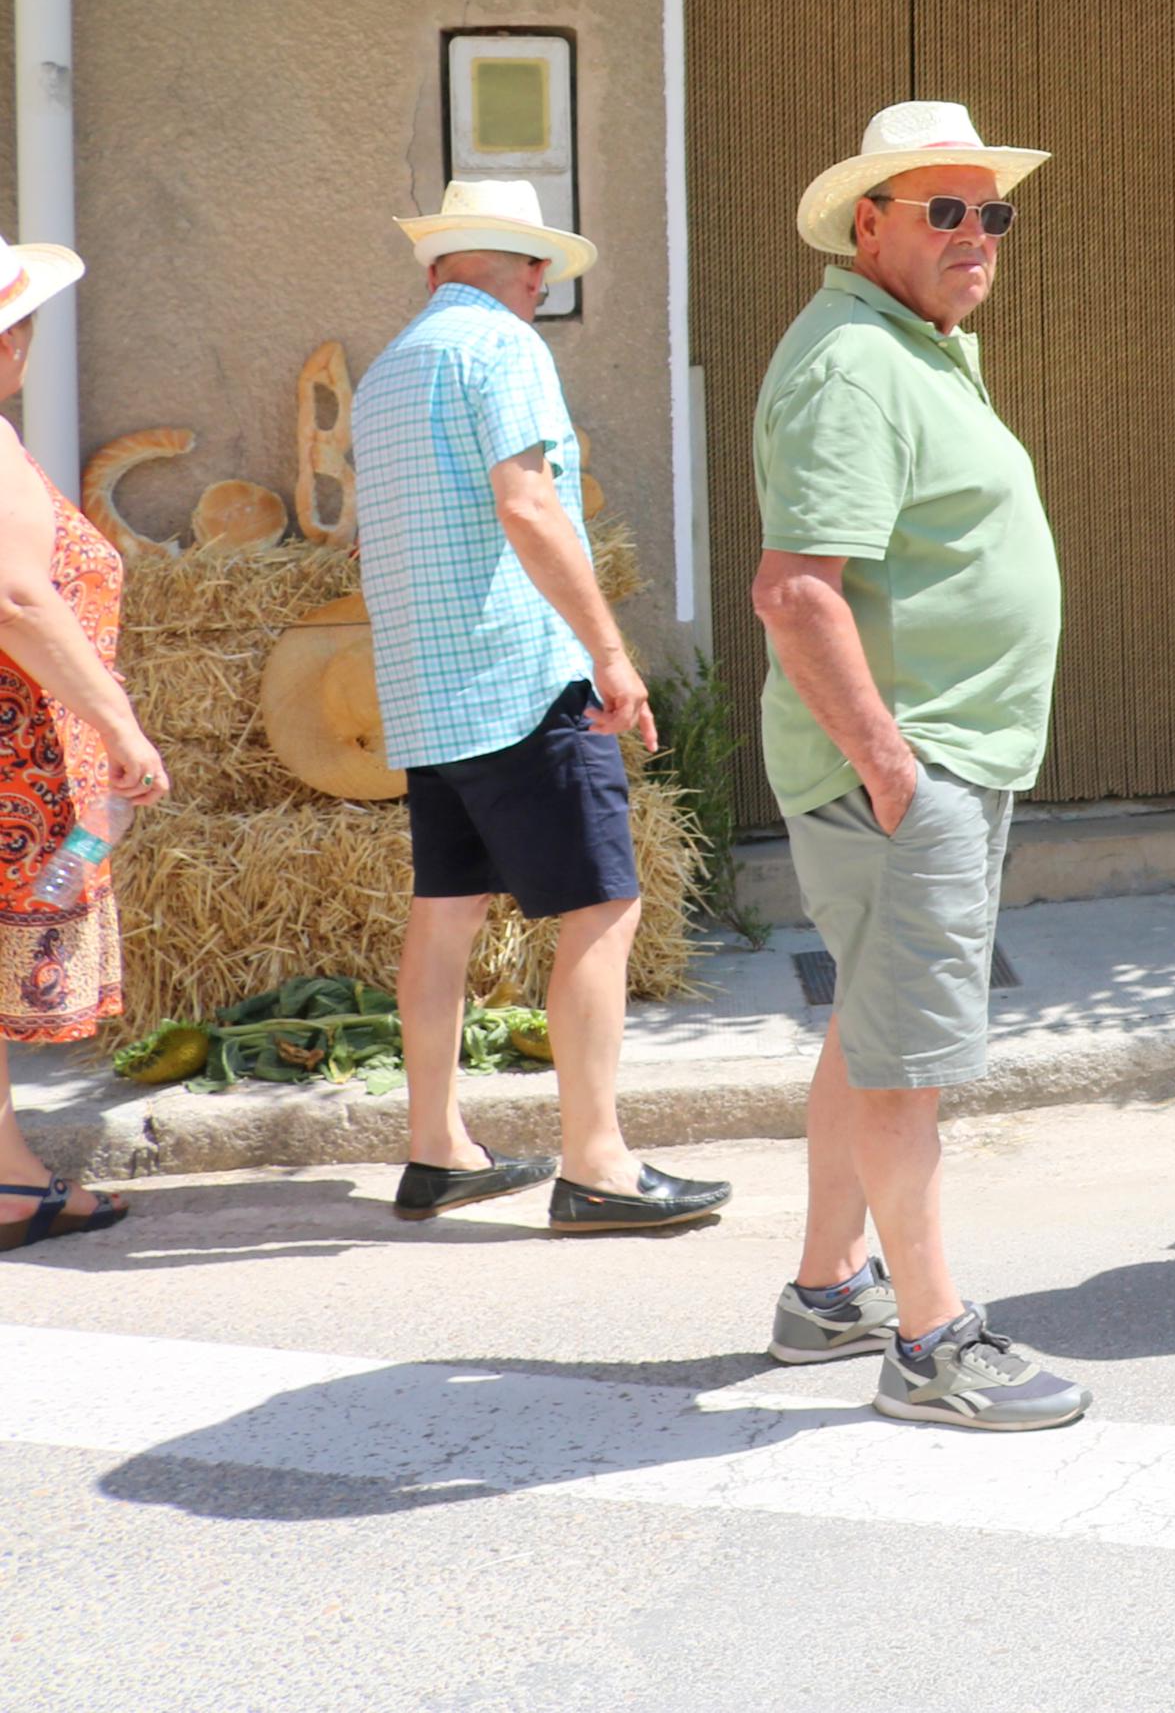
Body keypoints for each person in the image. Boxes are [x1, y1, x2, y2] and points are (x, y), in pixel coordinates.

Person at [750, 101, 1088, 1430]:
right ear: (868, 222)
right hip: (912, 761)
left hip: (934, 752)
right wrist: (894, 766)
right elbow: (795, 589)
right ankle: (931, 1339)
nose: (973, 233)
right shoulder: (855, 361)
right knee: (905, 1061)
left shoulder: (914, 346)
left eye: (989, 211)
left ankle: (829, 1286)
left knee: (867, 1023)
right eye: (940, 209)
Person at [360, 181, 724, 1233]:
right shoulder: (504, 348)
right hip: (518, 677)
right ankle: (598, 1164)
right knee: (606, 907)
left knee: (444, 916)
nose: (542, 285)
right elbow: (529, 504)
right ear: (522, 269)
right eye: (541, 271)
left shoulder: (392, 369)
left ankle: (436, 1149)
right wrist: (611, 656)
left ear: (436, 266)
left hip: (428, 691)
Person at [0, 242, 171, 1250]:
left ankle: (12, 1177)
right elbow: (19, 598)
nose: (23, 340)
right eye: (12, 323)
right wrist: (120, 725)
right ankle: (12, 1184)